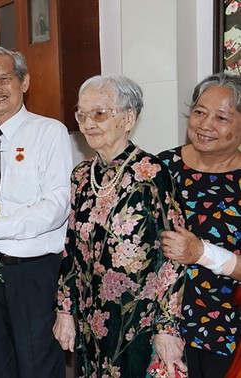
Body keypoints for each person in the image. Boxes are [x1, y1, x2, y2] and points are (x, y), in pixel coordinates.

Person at [52, 74, 186, 377]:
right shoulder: (82, 176)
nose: (88, 123)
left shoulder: (151, 173)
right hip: (91, 318)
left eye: (99, 113)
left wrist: (167, 326)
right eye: (81, 115)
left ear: (128, 118)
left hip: (138, 321)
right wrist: (65, 310)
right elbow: (71, 247)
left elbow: (175, 255)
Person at [0, 46, 72, 378]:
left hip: (32, 273)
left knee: (37, 366)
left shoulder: (49, 132)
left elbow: (56, 205)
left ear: (24, 82)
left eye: (4, 78)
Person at [159, 73, 241, 377]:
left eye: (221, 117)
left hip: (224, 330)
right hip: (159, 326)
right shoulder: (158, 169)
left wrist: (201, 253)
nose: (205, 125)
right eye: (199, 112)